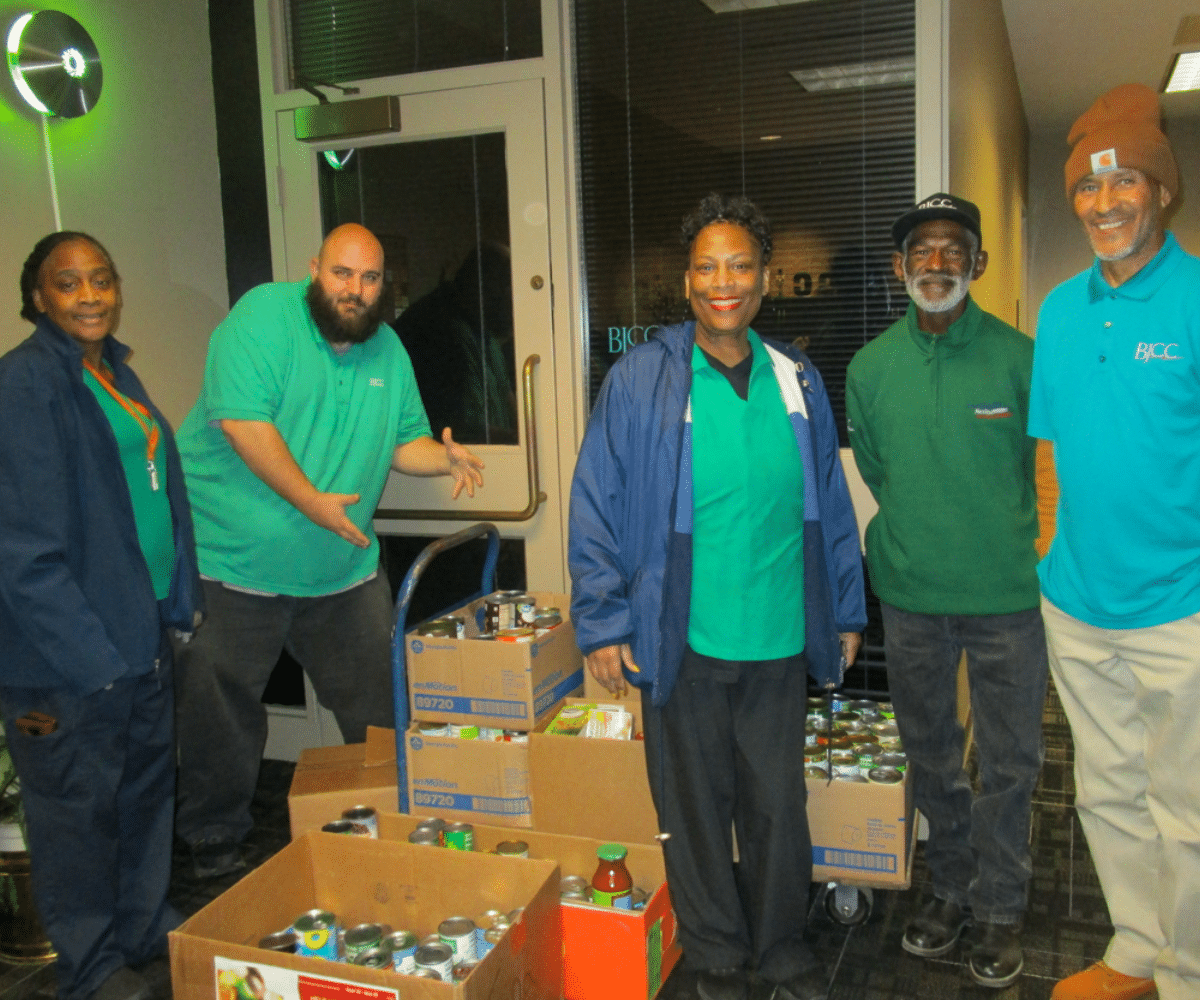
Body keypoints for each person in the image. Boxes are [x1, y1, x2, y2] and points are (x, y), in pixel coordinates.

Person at [569, 193, 867, 1000]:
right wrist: (602, 620)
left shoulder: (795, 375)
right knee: (694, 810)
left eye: (740, 265)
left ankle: (780, 947)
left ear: (765, 279)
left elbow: (829, 505)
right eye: (707, 266)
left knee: (778, 804)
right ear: (688, 282)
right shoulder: (644, 379)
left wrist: (843, 609)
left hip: (776, 637)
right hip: (682, 638)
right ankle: (716, 955)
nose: (723, 281)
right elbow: (595, 497)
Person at [174, 223, 484, 879]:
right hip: (234, 567)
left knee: (382, 705)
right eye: (343, 274)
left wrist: (443, 458)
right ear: (316, 269)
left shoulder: (388, 351)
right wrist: (311, 499)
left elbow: (406, 442)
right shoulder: (264, 318)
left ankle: (401, 816)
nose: (356, 290)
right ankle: (213, 843)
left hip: (340, 572)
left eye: (370, 279)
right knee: (220, 713)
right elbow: (242, 422)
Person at [846, 194, 1049, 988]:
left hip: (1004, 594)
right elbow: (877, 469)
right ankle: (952, 886)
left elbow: (1035, 459)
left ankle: (1000, 906)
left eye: (952, 248)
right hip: (911, 590)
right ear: (900, 268)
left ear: (978, 264)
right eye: (920, 251)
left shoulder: (1019, 357)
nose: (936, 263)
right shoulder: (869, 367)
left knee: (1010, 760)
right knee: (931, 753)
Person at [1029, 83, 1200, 1000]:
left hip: (1183, 605)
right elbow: (1051, 449)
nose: (1102, 205)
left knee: (1190, 811)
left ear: (1161, 190)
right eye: (1087, 191)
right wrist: (1052, 557)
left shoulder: (1198, 299)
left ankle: (1192, 975)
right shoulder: (1061, 309)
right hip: (1079, 604)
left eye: (1123, 182)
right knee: (1105, 791)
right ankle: (1140, 945)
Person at [0, 233, 203, 1000]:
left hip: (139, 633)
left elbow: (146, 495)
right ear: (38, 299)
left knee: (144, 793)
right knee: (76, 815)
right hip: (67, 662)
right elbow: (22, 554)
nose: (89, 295)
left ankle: (142, 923)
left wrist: (174, 608)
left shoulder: (113, 370)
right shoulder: (24, 386)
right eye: (68, 283)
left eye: (101, 279)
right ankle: (90, 966)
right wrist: (96, 661)